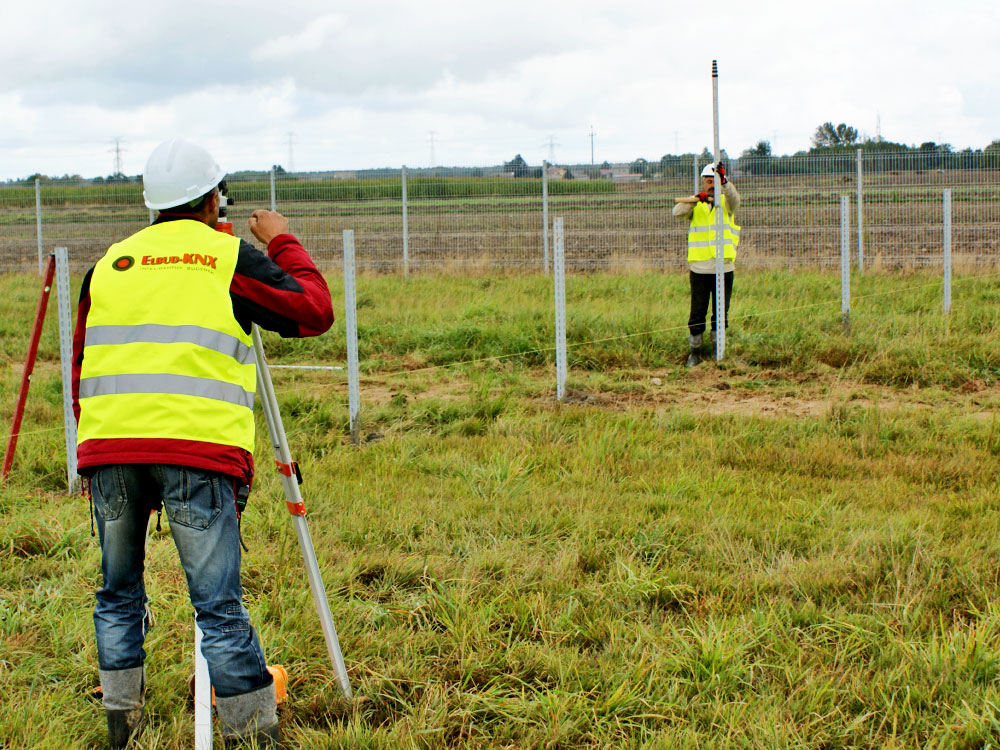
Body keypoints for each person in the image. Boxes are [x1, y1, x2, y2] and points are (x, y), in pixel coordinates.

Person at [72, 138, 334, 748]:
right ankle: (253, 735)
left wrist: (88, 453)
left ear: (154, 205)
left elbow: (83, 360)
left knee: (117, 592)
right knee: (217, 605)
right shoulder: (225, 257)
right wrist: (282, 240)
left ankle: (123, 727)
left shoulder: (111, 263)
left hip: (109, 449)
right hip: (196, 451)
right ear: (215, 197)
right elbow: (313, 310)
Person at [673, 162, 741, 366]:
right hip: (700, 269)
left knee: (720, 313)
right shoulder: (697, 204)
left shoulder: (725, 202)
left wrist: (726, 183)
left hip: (724, 268)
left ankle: (717, 351)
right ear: (703, 183)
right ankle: (694, 353)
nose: (712, 185)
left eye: (715, 181)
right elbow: (677, 212)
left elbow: (735, 202)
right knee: (697, 313)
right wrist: (695, 200)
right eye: (708, 181)